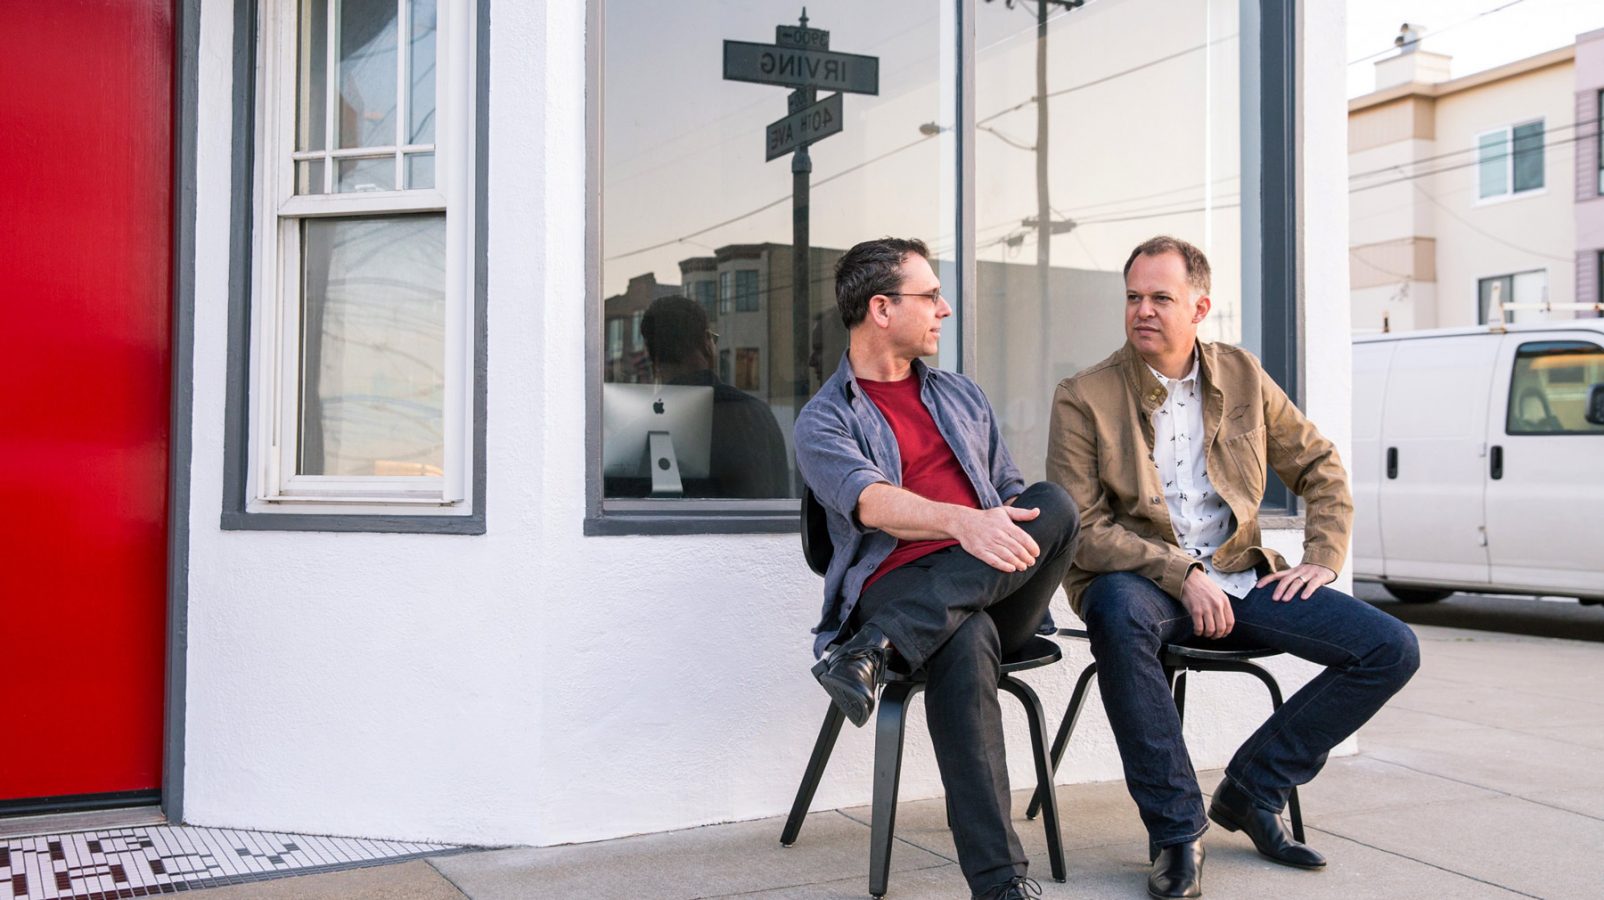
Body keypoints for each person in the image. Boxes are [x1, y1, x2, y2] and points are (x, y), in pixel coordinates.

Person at [1046, 236, 1420, 899]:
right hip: (1143, 586)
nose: (1143, 311)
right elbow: (1084, 530)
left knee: (1390, 647)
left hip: (1241, 576)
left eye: (1161, 297)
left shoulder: (1242, 375)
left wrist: (1323, 560)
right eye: (1133, 297)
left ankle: (1254, 789)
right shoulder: (1085, 395)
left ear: (1200, 307)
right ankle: (1176, 830)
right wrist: (1179, 573)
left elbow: (1321, 468)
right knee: (1115, 610)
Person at [795, 238, 1080, 900]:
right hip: (894, 580)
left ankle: (876, 648)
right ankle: (1001, 885)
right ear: (882, 308)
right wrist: (962, 521)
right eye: (930, 296)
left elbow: (1017, 504)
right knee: (965, 634)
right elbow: (869, 503)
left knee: (1056, 503)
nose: (945, 309)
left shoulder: (963, 397)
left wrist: (992, 521)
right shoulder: (825, 419)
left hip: (996, 585)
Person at [625, 294, 789, 499]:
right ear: (706, 342)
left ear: (650, 353)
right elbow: (780, 498)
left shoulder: (638, 428)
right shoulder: (755, 415)